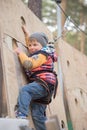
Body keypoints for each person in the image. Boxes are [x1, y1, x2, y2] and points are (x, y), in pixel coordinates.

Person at [14, 25, 58, 130]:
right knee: (38, 116)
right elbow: (31, 45)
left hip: (43, 84)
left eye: (35, 45)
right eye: (30, 45)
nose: (31, 47)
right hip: (47, 88)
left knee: (26, 90)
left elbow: (29, 64)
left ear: (42, 46)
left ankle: (21, 115)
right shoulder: (41, 51)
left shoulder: (42, 55)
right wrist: (26, 34)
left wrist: (20, 53)